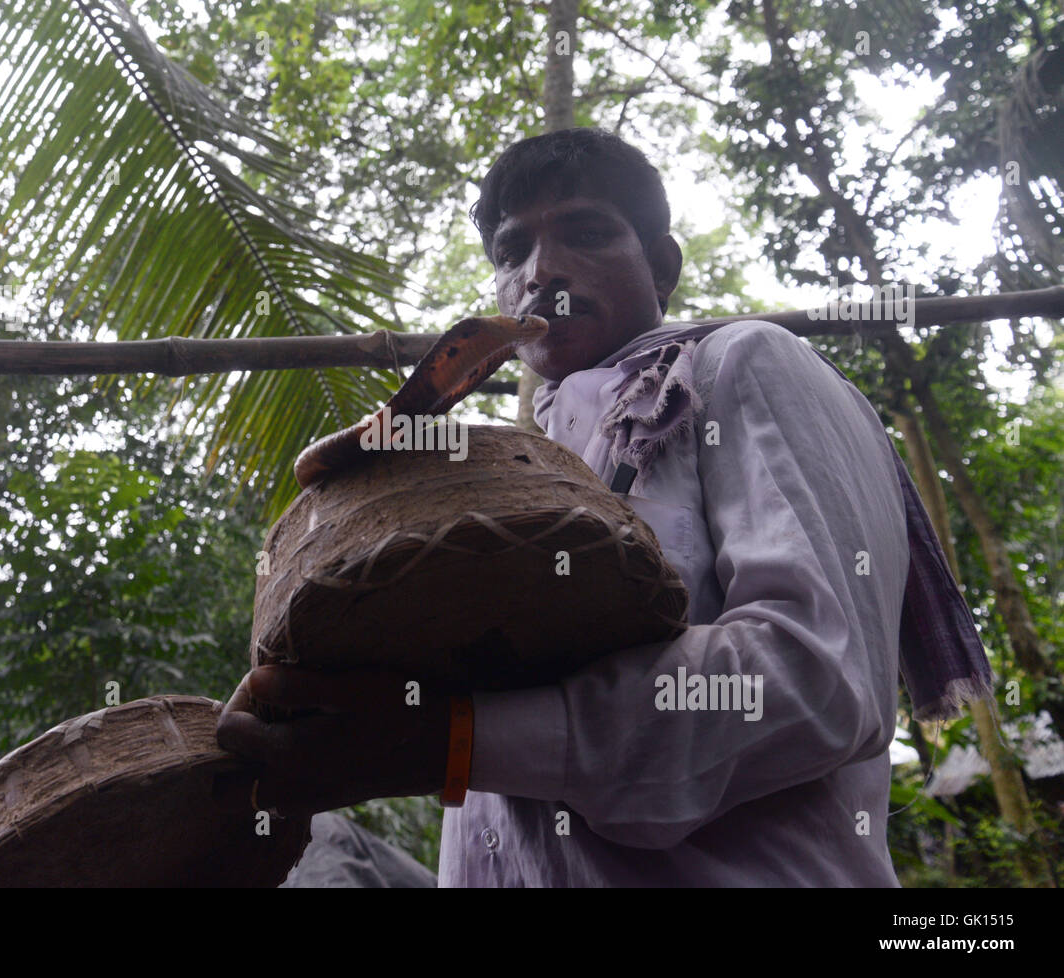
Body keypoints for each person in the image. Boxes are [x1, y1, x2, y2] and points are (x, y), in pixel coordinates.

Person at [215, 127, 988, 886]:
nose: (542, 269)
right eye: (510, 252)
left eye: (584, 233)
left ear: (662, 267)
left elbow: (816, 678)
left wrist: (452, 741)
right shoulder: (514, 461)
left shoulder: (738, 364)